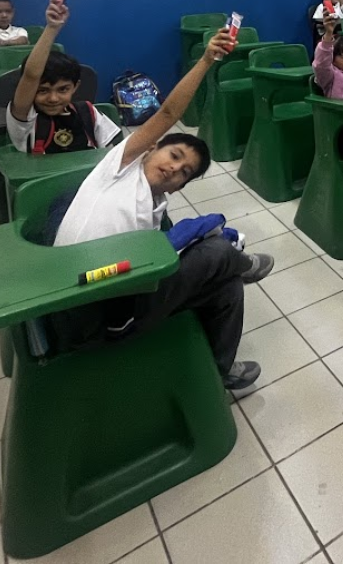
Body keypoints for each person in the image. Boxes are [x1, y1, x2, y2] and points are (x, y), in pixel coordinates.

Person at [51, 29, 274, 398]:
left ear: (179, 187)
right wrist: (207, 60)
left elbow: (145, 268)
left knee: (227, 286)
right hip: (85, 310)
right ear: (150, 148)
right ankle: (242, 262)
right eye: (174, 155)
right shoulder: (119, 168)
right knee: (219, 252)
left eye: (184, 172)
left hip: (116, 303)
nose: (174, 168)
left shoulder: (156, 208)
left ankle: (221, 370)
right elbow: (170, 112)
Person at [6, 0, 120, 154]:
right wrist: (52, 28)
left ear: (75, 87)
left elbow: (112, 154)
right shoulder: (25, 119)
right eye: (43, 90)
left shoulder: (88, 113)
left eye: (63, 89)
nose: (53, 98)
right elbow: (31, 76)